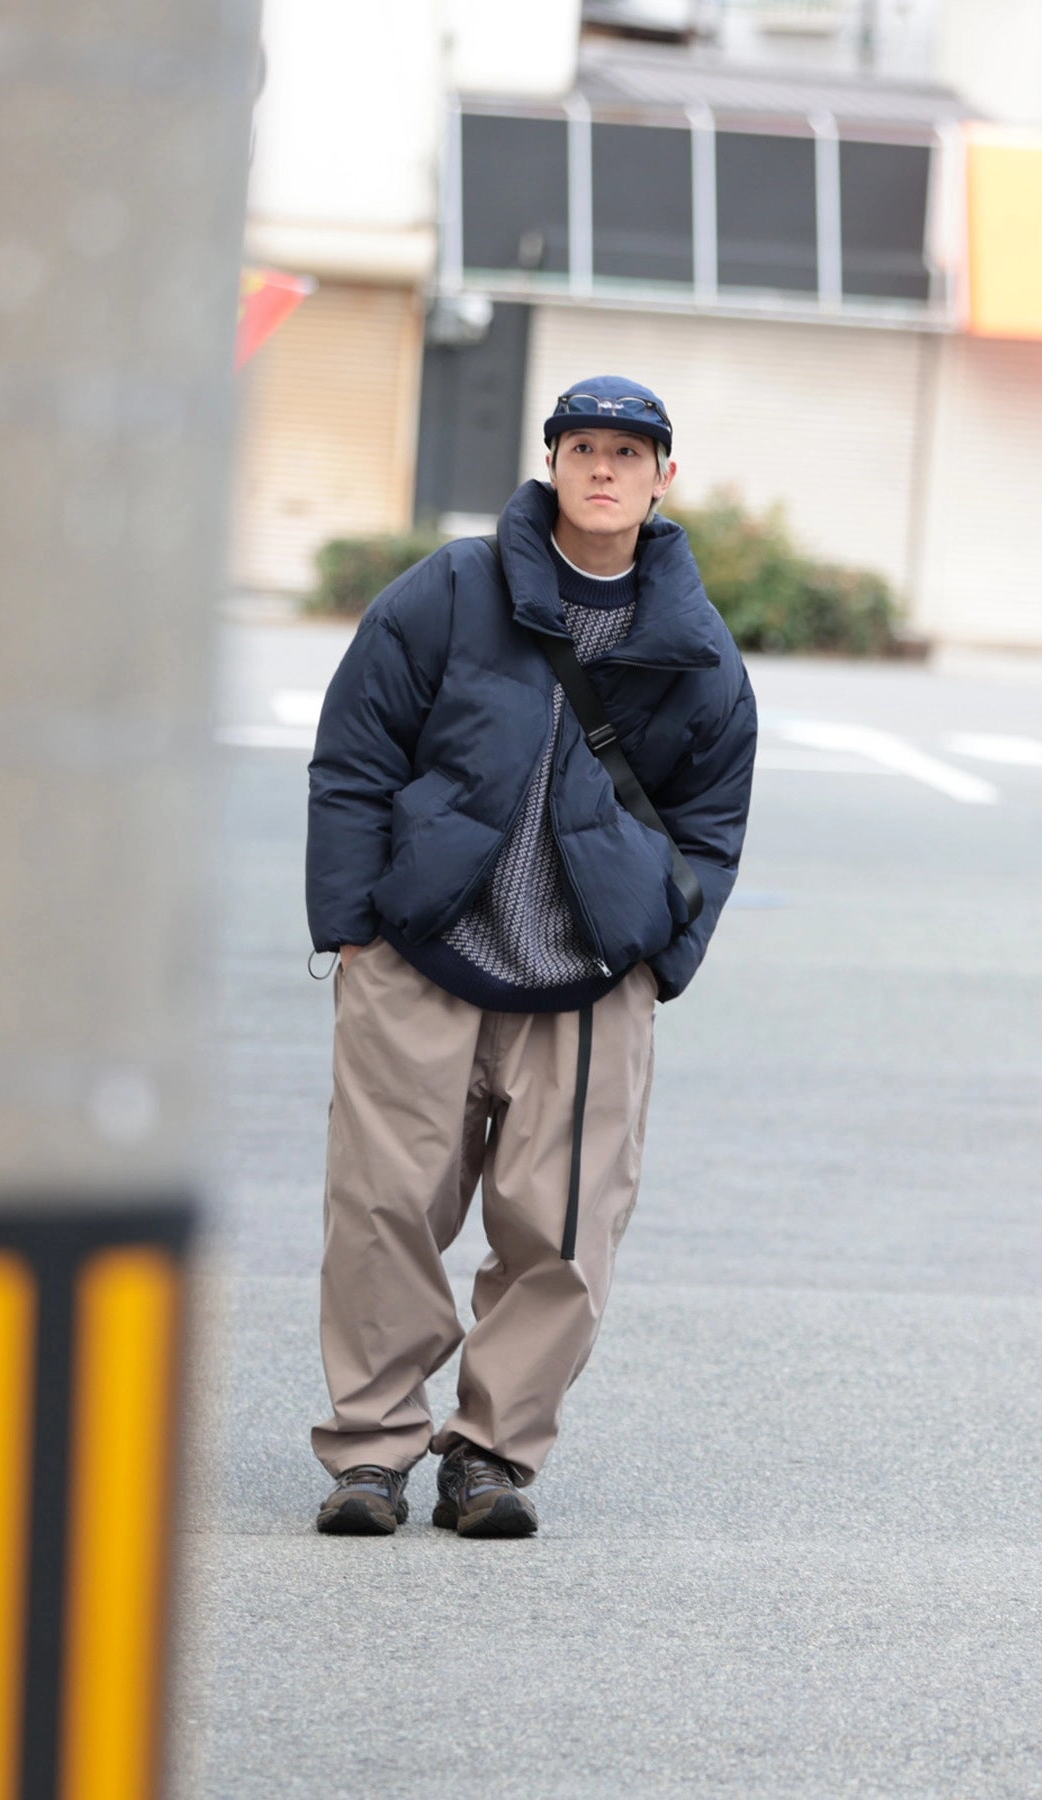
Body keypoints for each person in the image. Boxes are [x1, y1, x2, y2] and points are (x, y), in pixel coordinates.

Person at [305, 375, 757, 1537]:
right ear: (552, 463)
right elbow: (356, 750)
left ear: (664, 479)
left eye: (629, 453)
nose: (604, 469)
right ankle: (371, 1450)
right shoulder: (453, 591)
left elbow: (711, 820)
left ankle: (491, 1455)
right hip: (422, 949)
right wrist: (350, 924)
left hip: (594, 975)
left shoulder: (696, 649)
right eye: (583, 448)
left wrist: (665, 955)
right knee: (384, 1208)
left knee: (563, 1231)